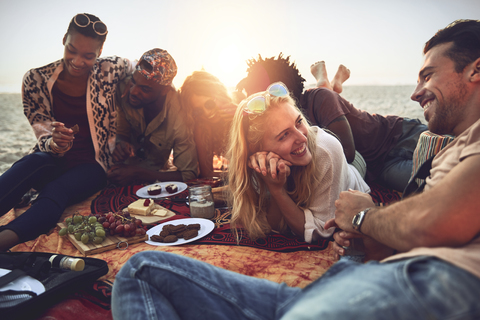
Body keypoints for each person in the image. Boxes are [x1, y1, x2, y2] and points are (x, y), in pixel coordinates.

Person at [111, 19, 480, 319]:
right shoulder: (457, 147)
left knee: (378, 169)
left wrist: (362, 217)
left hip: (423, 277)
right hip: (362, 274)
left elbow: (439, 222)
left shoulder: (327, 145)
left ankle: (330, 87)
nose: (415, 92)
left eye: (428, 75)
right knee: (139, 271)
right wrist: (366, 240)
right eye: (282, 135)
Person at [0, 13, 134, 251]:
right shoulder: (36, 79)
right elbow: (41, 130)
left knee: (56, 191)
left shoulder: (110, 69)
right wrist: (54, 142)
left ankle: (3, 241)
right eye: (72, 50)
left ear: (100, 52)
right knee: (29, 163)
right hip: (53, 158)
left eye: (88, 56)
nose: (78, 60)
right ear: (64, 39)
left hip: (94, 166)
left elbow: (142, 71)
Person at [236, 54, 428, 192]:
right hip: (378, 167)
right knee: (424, 184)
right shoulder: (281, 126)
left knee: (448, 167)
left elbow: (348, 152)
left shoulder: (319, 99)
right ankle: (331, 82)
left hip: (397, 136)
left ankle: (327, 84)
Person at [226, 82, 369, 243]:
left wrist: (277, 191)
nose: (302, 137)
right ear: (258, 148)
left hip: (350, 169)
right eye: (284, 135)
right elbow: (272, 226)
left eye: (299, 122)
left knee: (353, 159)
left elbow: (320, 232)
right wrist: (275, 185)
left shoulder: (326, 151)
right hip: (328, 159)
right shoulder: (259, 162)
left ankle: (325, 85)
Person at [107, 49, 198, 185]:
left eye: (145, 89)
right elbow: (122, 130)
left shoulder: (179, 118)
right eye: (133, 81)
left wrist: (137, 173)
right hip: (118, 176)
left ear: (165, 91)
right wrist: (122, 143)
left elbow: (189, 174)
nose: (133, 91)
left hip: (154, 185)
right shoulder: (121, 88)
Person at [179, 71, 236, 179]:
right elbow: (207, 173)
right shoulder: (203, 127)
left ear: (219, 94)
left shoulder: (241, 114)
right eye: (198, 111)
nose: (207, 113)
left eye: (209, 104)